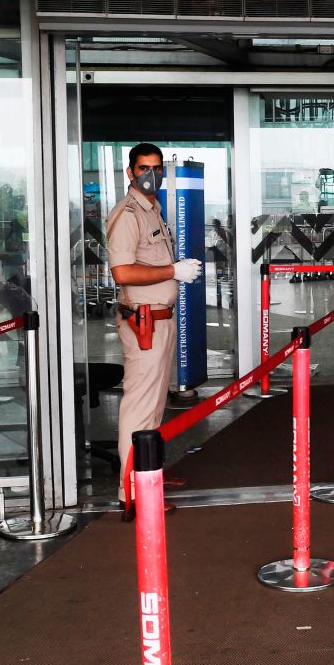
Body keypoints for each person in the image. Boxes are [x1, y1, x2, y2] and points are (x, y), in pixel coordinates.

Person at [106, 143, 204, 518]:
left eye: (157, 168)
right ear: (130, 173)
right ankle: (131, 491)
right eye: (144, 168)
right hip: (143, 321)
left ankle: (149, 476)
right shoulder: (128, 214)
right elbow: (123, 272)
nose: (152, 175)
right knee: (138, 408)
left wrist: (171, 269)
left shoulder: (152, 210)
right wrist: (172, 272)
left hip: (159, 319)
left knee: (153, 408)